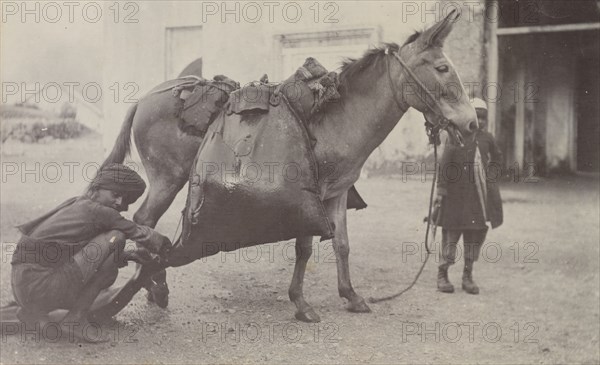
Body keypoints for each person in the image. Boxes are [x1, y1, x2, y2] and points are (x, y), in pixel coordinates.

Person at [8, 163, 171, 342]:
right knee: (116, 239)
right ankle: (75, 319)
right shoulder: (100, 212)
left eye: (125, 200)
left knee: (112, 253)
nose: (119, 203)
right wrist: (167, 248)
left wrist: (127, 256)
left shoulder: (77, 203)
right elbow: (136, 231)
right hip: (40, 286)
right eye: (115, 195)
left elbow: (72, 250)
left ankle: (35, 313)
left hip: (23, 286)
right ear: (97, 187)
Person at [436, 98, 503, 294]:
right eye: (476, 117)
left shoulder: (487, 138)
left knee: (474, 237)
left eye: (483, 118)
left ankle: (467, 276)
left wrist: (490, 174)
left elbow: (497, 158)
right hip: (455, 198)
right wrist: (441, 190)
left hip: (477, 199)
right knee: (451, 236)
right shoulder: (454, 137)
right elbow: (445, 166)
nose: (479, 122)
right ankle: (442, 274)